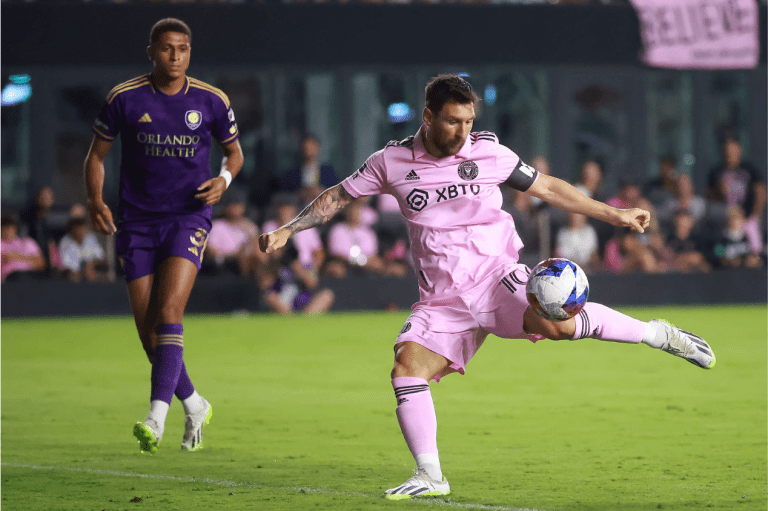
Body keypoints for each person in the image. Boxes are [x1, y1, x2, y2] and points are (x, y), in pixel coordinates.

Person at [259, 74, 715, 499]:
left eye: (470, 121)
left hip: (498, 277)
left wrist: (613, 214)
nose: (462, 130)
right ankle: (430, 476)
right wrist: (288, 229)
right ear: (429, 117)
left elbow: (551, 189)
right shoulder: (391, 161)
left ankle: (661, 335)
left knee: (559, 326)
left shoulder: (488, 154)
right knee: (406, 370)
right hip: (442, 300)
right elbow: (338, 196)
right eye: (453, 121)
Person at [84, 18, 244, 454]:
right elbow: (96, 155)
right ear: (151, 51)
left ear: (190, 53)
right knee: (147, 331)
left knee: (170, 310)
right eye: (168, 48)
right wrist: (96, 200)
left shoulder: (211, 100)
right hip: (135, 222)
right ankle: (195, 402)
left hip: (188, 218)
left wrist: (224, 180)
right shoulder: (125, 98)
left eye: (184, 49)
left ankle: (155, 417)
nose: (176, 57)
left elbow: (234, 152)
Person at [706, 138, 766, 254]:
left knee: (755, 249)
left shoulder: (750, 169)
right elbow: (708, 197)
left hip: (748, 217)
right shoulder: (716, 171)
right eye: (727, 151)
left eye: (733, 150)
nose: (730, 154)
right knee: (722, 249)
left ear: (739, 150)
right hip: (724, 219)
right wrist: (719, 191)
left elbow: (761, 192)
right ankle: (722, 259)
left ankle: (752, 263)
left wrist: (755, 214)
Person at [203, 188, 263, 278]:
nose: (236, 209)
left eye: (239, 205)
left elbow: (259, 249)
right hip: (225, 265)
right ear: (226, 207)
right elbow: (211, 252)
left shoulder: (249, 226)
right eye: (233, 205)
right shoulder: (217, 226)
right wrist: (234, 255)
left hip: (249, 265)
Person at [282, 134, 339, 206]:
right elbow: (286, 195)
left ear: (317, 148)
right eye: (306, 148)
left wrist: (322, 191)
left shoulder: (328, 171)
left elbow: (337, 192)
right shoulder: (292, 173)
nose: (308, 150)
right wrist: (301, 193)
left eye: (311, 147)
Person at [58, 217, 110, 282]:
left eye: (82, 227)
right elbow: (64, 267)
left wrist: (91, 264)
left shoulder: (90, 238)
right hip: (72, 279)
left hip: (91, 275)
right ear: (73, 228)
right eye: (78, 227)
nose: (81, 230)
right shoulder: (65, 242)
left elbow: (101, 257)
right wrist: (80, 273)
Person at [1, 215, 46, 282]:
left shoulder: (28, 242)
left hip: (30, 277)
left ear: (15, 228)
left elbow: (41, 263)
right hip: (9, 280)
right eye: (4, 228)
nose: (7, 231)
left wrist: (15, 257)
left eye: (9, 228)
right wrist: (31, 259)